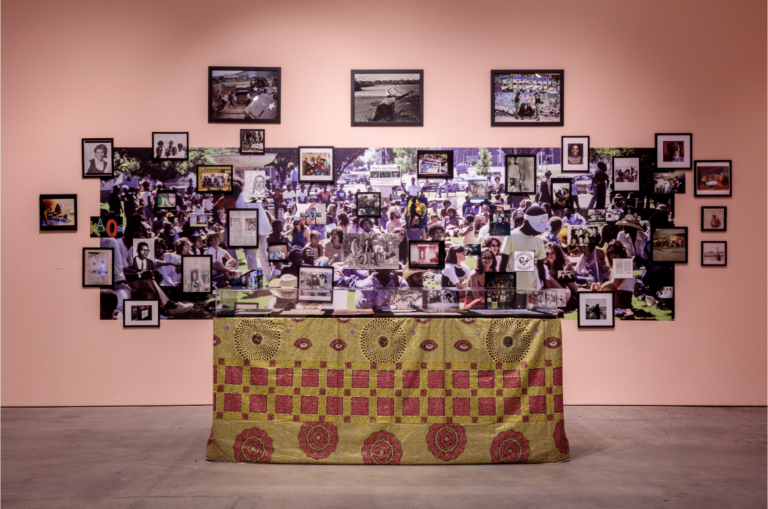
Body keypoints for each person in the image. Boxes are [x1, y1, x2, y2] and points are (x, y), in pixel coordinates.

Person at [500, 205, 549, 290]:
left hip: (532, 288)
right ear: (528, 222)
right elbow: (503, 263)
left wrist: (543, 285)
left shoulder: (539, 240)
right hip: (513, 287)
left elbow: (541, 266)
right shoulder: (511, 236)